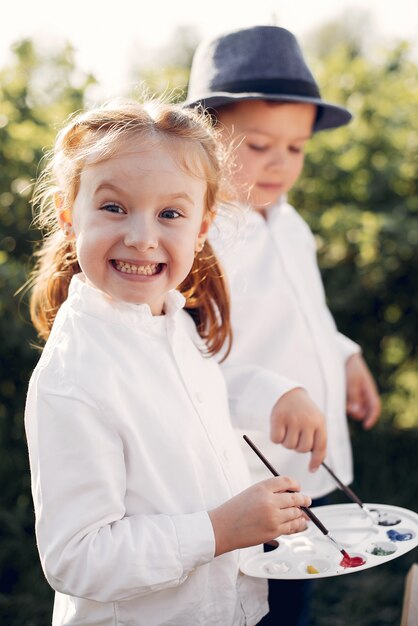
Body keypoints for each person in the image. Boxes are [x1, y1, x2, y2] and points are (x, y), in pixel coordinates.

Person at [24, 98, 312, 626]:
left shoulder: (171, 321)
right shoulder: (74, 377)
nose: (141, 236)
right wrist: (221, 529)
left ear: (202, 227)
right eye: (113, 207)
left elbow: (193, 396)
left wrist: (273, 391)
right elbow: (77, 558)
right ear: (69, 216)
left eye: (170, 214)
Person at [185, 25, 381, 625]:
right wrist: (271, 391)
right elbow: (188, 351)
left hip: (306, 463)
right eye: (258, 144)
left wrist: (346, 354)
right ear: (206, 138)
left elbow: (307, 313)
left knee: (302, 586)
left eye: (295, 148)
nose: (279, 164)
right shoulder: (200, 231)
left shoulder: (290, 224)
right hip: (248, 474)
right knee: (255, 602)